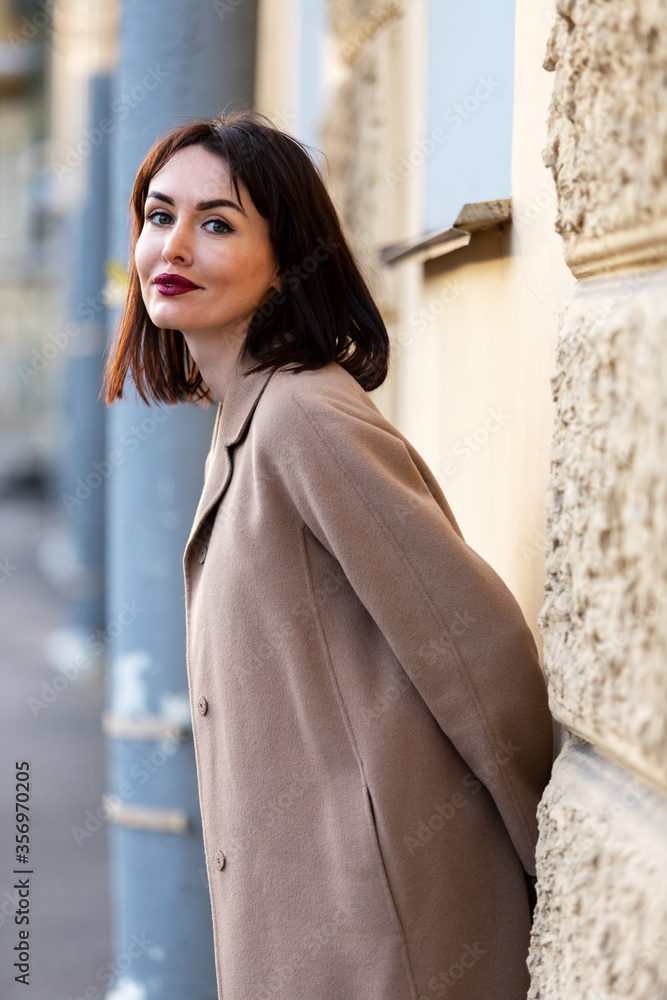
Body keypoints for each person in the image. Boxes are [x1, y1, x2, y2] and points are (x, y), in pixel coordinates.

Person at [103, 108, 554, 1000]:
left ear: (287, 260)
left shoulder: (303, 417)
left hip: (386, 941)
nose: (176, 246)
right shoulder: (248, 419)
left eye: (218, 223)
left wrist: (559, 862)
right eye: (160, 216)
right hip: (317, 933)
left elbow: (472, 646)